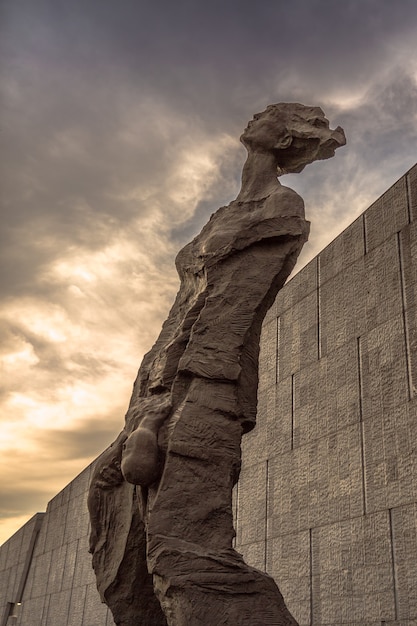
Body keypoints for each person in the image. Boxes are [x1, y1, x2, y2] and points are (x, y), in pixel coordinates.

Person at [88, 103, 345, 626]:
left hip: (206, 381)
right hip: (156, 382)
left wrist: (183, 391)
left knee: (186, 552)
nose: (256, 115)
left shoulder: (282, 206)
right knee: (118, 536)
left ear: (285, 139)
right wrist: (148, 392)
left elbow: (234, 308)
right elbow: (183, 306)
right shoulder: (221, 215)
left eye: (272, 114)